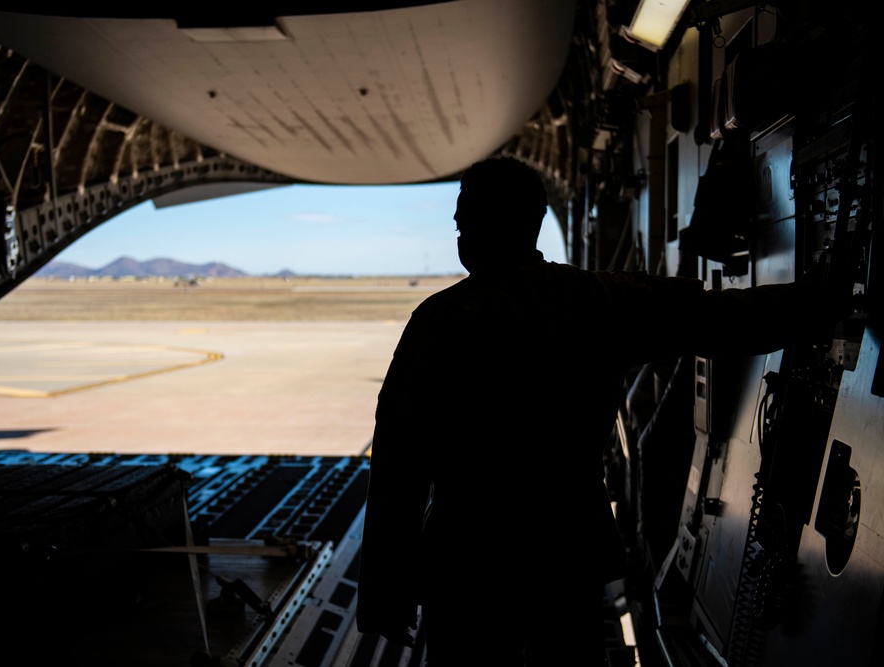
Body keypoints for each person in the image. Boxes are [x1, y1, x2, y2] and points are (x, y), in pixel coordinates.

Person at [355, 155, 853, 665]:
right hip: (567, 553)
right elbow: (723, 320)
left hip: (469, 562)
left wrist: (384, 594)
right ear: (534, 223)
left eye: (461, 222)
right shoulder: (597, 300)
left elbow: (398, 464)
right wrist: (819, 296)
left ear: (476, 227)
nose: (458, 233)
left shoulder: (437, 322)